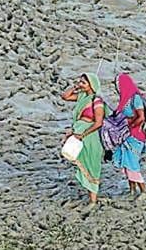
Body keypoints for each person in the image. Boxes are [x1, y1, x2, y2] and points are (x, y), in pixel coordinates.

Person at [61, 73, 105, 206]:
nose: (81, 84)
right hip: (79, 134)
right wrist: (76, 87)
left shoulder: (96, 101)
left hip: (90, 137)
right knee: (82, 163)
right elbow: (65, 96)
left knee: (92, 165)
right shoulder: (82, 97)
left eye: (84, 83)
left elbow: (98, 123)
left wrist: (83, 134)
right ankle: (89, 194)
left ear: (91, 85)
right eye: (80, 82)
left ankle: (93, 200)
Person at [112, 73, 146, 200]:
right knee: (126, 163)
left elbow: (141, 117)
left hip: (135, 136)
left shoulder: (135, 98)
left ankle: (143, 191)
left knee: (132, 163)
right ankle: (132, 189)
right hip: (125, 135)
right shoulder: (124, 99)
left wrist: (129, 126)